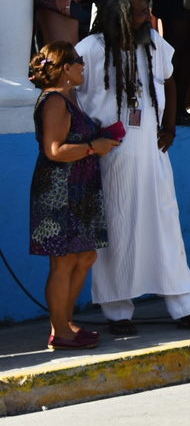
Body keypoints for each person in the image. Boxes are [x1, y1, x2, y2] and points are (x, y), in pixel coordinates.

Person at [79, 0, 190, 335]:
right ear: (119, 16)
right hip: (110, 161)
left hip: (152, 154)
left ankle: (185, 305)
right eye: (141, 12)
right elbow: (67, 91)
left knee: (166, 228)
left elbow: (171, 81)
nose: (148, 17)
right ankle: (118, 313)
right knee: (115, 232)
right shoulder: (90, 50)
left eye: (148, 11)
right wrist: (84, 138)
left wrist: (171, 124)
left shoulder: (154, 44)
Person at [30, 42, 120, 350]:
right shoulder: (55, 101)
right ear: (65, 68)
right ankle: (60, 331)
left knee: (85, 256)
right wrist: (95, 146)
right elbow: (54, 150)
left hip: (80, 189)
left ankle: (65, 324)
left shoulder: (70, 98)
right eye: (78, 62)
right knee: (63, 262)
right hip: (60, 191)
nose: (83, 66)